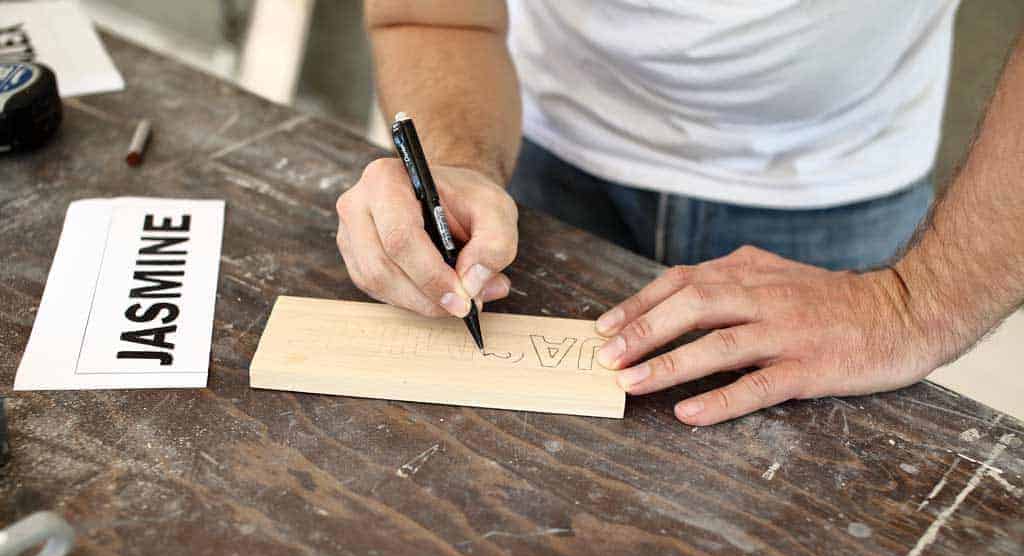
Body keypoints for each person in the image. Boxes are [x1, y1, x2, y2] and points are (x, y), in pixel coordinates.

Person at [335, 1, 1024, 425]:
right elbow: (434, 12)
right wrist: (456, 163)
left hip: (835, 181)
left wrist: (914, 304)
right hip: (532, 152)